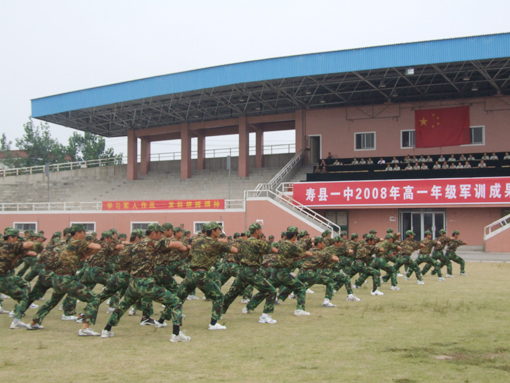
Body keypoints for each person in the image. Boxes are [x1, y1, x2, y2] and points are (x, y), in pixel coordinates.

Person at [27, 224, 103, 335]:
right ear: (77, 234)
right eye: (83, 232)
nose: (85, 235)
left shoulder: (66, 243)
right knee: (94, 298)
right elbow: (97, 247)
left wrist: (84, 254)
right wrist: (87, 254)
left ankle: (33, 322)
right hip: (66, 279)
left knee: (52, 302)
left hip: (57, 278)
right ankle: (85, 328)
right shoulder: (77, 242)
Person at [177, 222, 238, 330]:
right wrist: (224, 242)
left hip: (190, 273)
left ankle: (162, 320)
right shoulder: (215, 243)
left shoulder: (196, 239)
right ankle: (213, 324)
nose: (220, 232)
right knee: (218, 296)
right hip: (201, 274)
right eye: (218, 230)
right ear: (213, 231)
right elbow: (234, 250)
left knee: (178, 297)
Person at [222, 223, 278, 324]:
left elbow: (239, 254)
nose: (261, 231)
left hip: (242, 270)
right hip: (252, 271)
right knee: (271, 291)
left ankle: (219, 313)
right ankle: (265, 316)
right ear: (256, 231)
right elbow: (273, 250)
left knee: (232, 293)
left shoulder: (245, 242)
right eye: (260, 229)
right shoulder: (259, 242)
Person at [0, 228, 36, 329]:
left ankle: (16, 313)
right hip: (2, 278)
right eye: (16, 238)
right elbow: (30, 245)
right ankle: (16, 320)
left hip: (6, 276)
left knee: (25, 284)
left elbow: (32, 254)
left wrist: (23, 252)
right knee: (23, 297)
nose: (17, 240)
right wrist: (23, 243)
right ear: (11, 237)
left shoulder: (3, 245)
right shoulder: (11, 245)